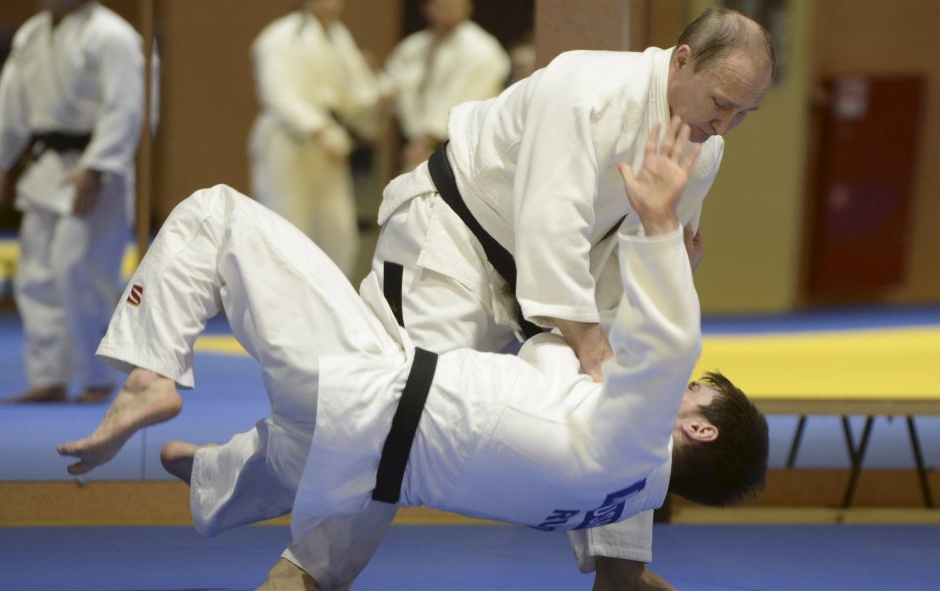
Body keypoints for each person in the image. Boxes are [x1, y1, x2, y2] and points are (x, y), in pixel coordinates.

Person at [58, 119, 769, 591]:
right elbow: (568, 346)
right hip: (376, 465)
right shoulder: (621, 492)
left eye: (695, 393)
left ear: (698, 428)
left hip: (372, 388)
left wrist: (661, 234)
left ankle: (148, 377)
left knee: (215, 215)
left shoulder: (635, 431)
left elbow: (665, 339)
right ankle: (214, 473)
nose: (683, 385)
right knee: (311, 496)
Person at [364, 7, 776, 588]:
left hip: (564, 285)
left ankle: (621, 571)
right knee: (392, 408)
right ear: (682, 60)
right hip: (456, 235)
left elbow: (649, 250)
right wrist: (589, 344)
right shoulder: (587, 87)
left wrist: (621, 348)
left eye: (744, 113)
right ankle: (308, 569)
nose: (726, 123)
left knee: (637, 408)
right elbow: (548, 221)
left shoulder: (703, 147)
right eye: (721, 102)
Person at [0, 0, 151, 404]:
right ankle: (48, 377)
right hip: (46, 169)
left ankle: (98, 376)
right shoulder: (32, 34)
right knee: (35, 277)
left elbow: (126, 107)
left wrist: (98, 165)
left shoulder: (112, 34)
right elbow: (10, 105)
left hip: (95, 174)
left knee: (79, 272)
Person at [247, 0, 380, 281]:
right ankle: (280, 304)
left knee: (340, 233)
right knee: (286, 225)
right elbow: (278, 94)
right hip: (289, 142)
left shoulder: (338, 35)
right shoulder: (278, 36)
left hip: (332, 142)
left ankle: (332, 303)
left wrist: (376, 93)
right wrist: (319, 130)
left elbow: (355, 91)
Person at [380, 0, 510, 170]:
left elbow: (461, 99)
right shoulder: (415, 45)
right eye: (439, 5)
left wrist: (426, 140)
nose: (446, 10)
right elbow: (393, 83)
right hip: (417, 140)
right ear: (426, 8)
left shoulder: (481, 48)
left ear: (467, 7)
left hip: (458, 147)